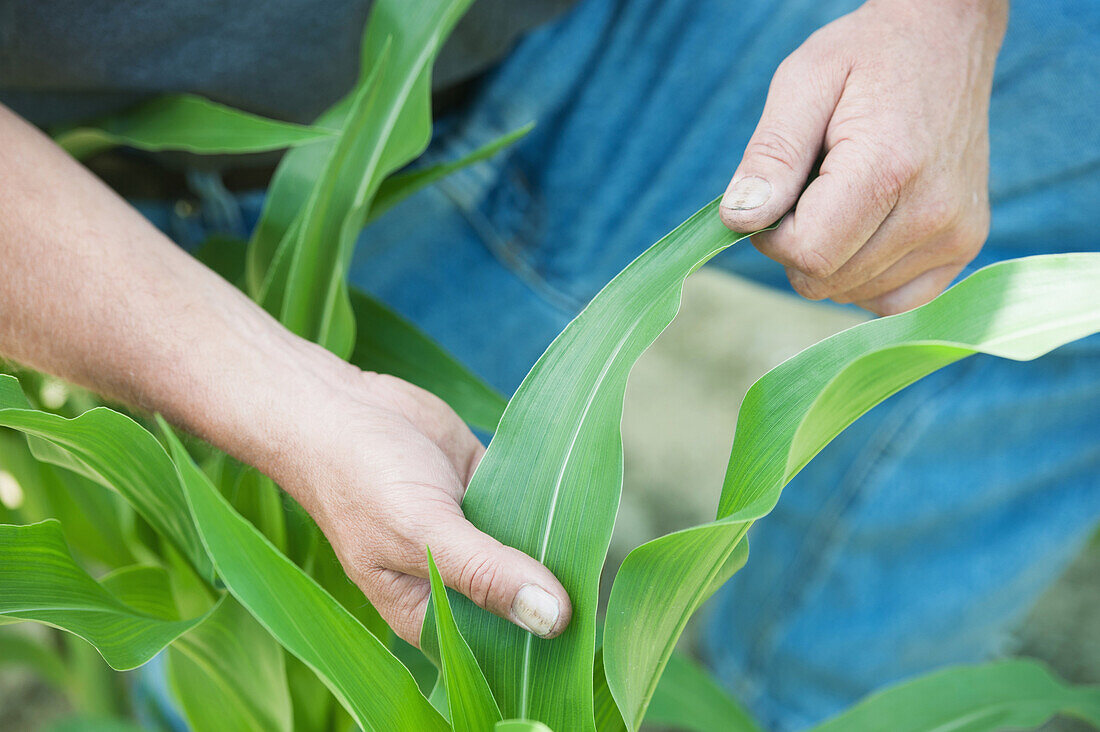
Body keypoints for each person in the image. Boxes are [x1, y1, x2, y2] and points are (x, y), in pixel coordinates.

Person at [2, 0, 1097, 728]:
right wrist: (284, 401)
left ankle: (818, 697)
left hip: (628, 23)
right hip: (177, 232)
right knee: (343, 659)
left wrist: (945, 20)